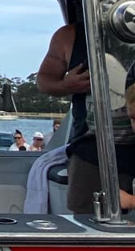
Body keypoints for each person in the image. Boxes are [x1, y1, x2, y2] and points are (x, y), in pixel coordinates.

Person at [37, 15, 135, 213]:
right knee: (88, 219)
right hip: (91, 149)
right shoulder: (70, 36)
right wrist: (65, 85)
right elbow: (44, 80)